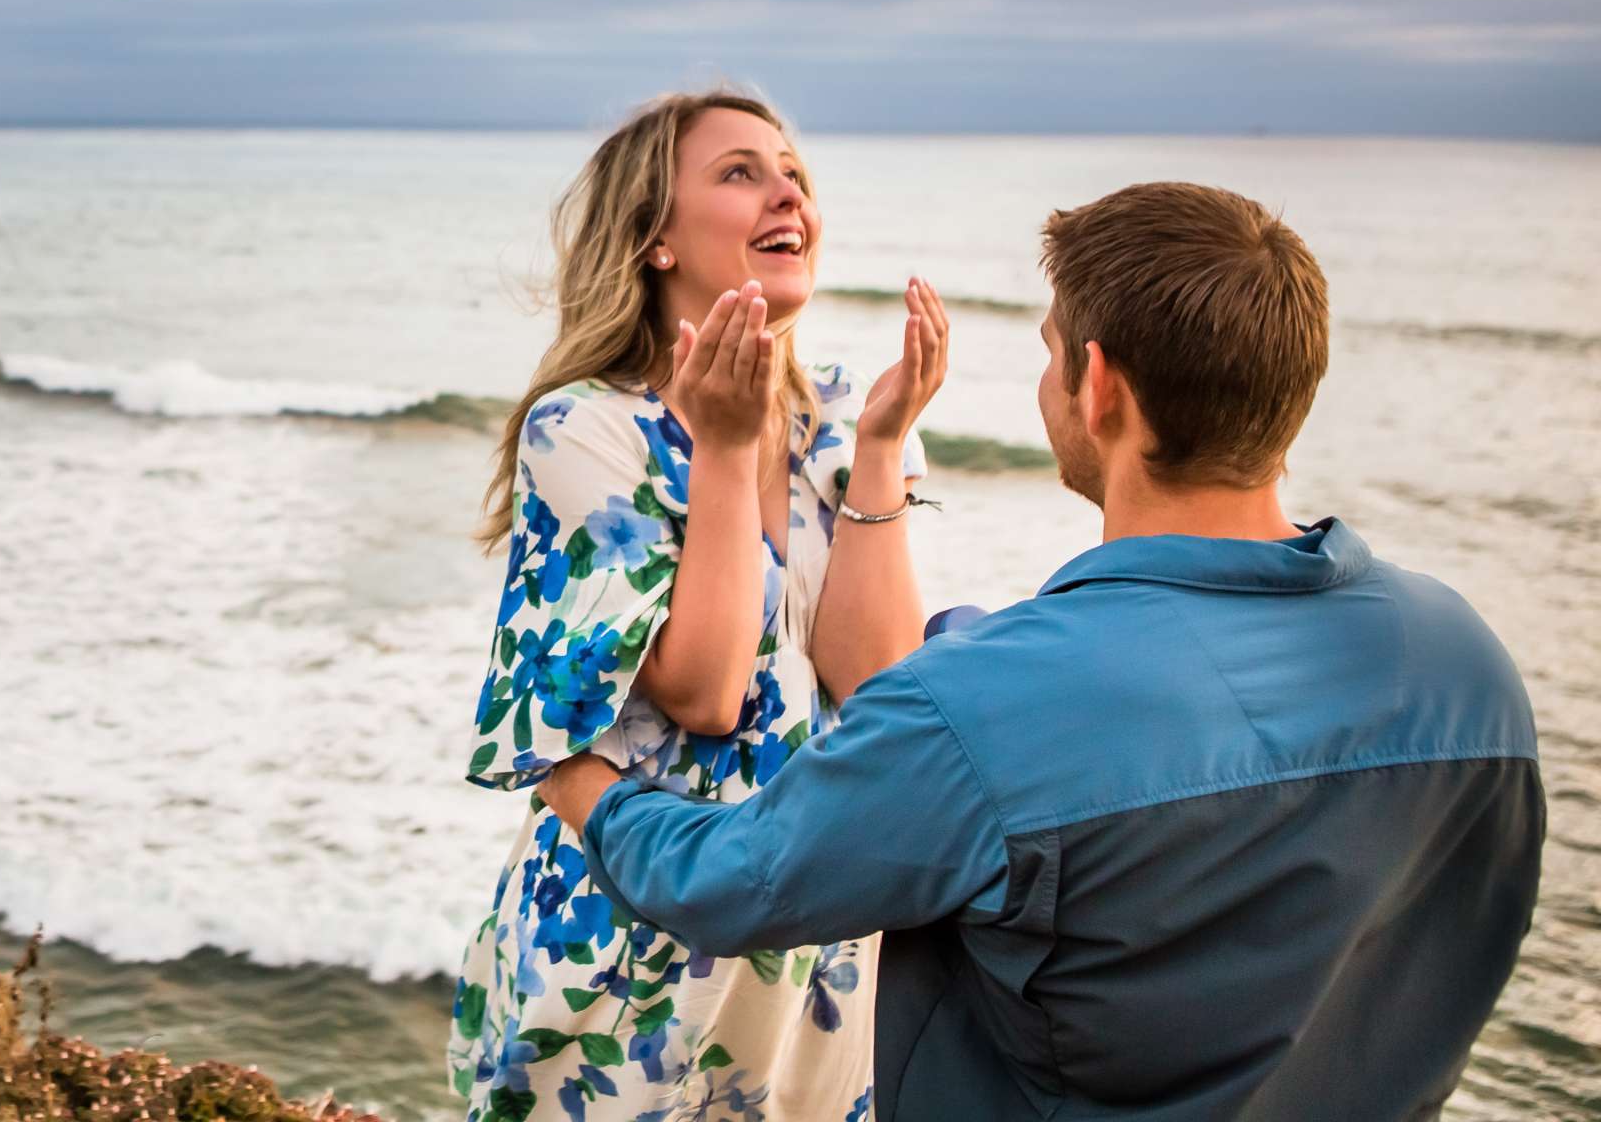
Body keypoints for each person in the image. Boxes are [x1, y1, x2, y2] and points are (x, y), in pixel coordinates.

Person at [539, 182, 1546, 1122]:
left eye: (1052, 350)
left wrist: (573, 767)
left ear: (1097, 387)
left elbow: (723, 882)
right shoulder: (1467, 666)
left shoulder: (981, 712)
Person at [449, 88, 950, 1122]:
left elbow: (877, 682)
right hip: (636, 936)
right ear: (655, 240)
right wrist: (723, 448)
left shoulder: (843, 416)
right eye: (740, 173)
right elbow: (708, 694)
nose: (788, 195)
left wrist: (883, 452)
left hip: (818, 931)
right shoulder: (586, 430)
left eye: (794, 174)